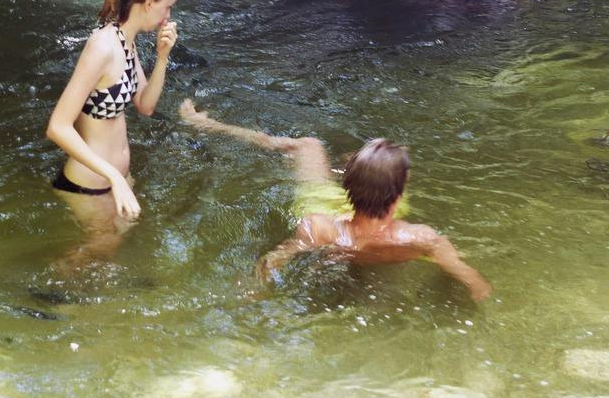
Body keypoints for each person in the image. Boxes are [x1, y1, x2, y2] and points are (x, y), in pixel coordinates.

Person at [179, 100, 491, 301]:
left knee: (308, 145)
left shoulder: (320, 230)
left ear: (347, 186)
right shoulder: (420, 238)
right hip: (368, 210)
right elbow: (474, 282)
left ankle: (207, 124)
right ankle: (368, 164)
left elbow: (272, 262)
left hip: (326, 208)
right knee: (395, 158)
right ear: (397, 201)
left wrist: (252, 290)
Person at [45, 0, 180, 255]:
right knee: (97, 254)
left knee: (111, 249)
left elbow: (145, 106)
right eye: (167, 7)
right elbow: (57, 127)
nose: (168, 16)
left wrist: (162, 58)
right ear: (148, 2)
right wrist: (114, 176)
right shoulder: (102, 46)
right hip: (90, 184)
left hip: (112, 179)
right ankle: (47, 299)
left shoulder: (126, 42)